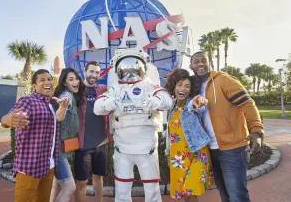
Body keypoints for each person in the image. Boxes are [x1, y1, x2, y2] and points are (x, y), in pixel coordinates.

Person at [94, 48, 173, 202]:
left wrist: (156, 102)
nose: (130, 72)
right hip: (123, 146)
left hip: (147, 146)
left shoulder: (150, 86)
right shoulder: (115, 89)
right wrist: (108, 103)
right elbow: (97, 107)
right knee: (122, 187)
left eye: (134, 66)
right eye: (126, 67)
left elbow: (167, 100)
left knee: (152, 187)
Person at [189, 51, 264, 202]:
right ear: (191, 66)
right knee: (225, 195)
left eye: (203, 60)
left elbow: (247, 103)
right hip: (211, 149)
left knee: (237, 196)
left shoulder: (223, 79)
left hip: (232, 148)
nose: (200, 64)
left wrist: (256, 131)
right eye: (196, 61)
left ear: (210, 62)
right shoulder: (195, 87)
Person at [0, 69, 70, 202]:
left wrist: (63, 107)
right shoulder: (28, 101)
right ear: (34, 86)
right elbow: (7, 118)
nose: (47, 82)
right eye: (42, 80)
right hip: (29, 168)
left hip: (48, 166)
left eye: (49, 79)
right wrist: (8, 120)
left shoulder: (52, 104)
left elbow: (57, 122)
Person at [165, 68, 214, 201]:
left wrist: (200, 101)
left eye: (187, 86)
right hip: (178, 157)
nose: (183, 89)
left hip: (197, 153)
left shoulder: (191, 104)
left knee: (189, 190)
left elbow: (198, 104)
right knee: (184, 194)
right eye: (180, 85)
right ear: (174, 86)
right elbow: (169, 134)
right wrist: (167, 152)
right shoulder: (171, 108)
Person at [74, 61, 111, 202]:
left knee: (98, 176)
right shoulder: (77, 90)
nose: (94, 75)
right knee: (81, 182)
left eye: (97, 72)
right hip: (83, 144)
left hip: (101, 142)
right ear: (85, 71)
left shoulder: (102, 89)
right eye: (91, 71)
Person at [50, 68, 85, 202]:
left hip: (62, 150)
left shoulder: (74, 95)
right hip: (57, 152)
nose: (75, 81)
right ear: (64, 83)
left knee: (58, 186)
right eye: (71, 79)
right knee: (70, 187)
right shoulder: (67, 96)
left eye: (76, 78)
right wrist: (64, 104)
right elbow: (66, 101)